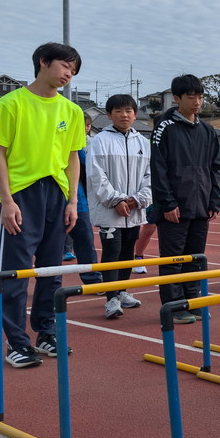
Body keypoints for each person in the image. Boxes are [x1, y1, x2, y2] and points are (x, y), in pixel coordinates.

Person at [0, 42, 85, 368]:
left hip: (57, 195)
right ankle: (16, 343)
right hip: (22, 195)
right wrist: (7, 200)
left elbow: (72, 158)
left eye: (74, 70)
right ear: (43, 62)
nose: (69, 74)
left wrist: (73, 201)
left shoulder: (71, 111)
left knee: (51, 272)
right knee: (14, 274)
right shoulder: (11, 102)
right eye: (66, 66)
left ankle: (46, 333)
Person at [151, 74, 220, 325]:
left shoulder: (207, 130)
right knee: (173, 260)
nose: (197, 102)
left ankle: (192, 301)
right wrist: (167, 203)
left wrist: (214, 201)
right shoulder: (164, 127)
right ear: (177, 98)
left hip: (201, 206)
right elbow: (158, 168)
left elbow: (215, 167)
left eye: (200, 97)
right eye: (191, 97)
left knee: (196, 258)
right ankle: (174, 307)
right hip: (174, 207)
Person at [87, 94, 151, 319]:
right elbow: (96, 176)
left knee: (127, 252)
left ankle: (122, 291)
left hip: (133, 210)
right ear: (108, 115)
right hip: (110, 210)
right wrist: (116, 200)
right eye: (118, 111)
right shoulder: (100, 141)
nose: (124, 115)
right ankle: (111, 298)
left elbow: (150, 176)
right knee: (112, 251)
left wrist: (138, 199)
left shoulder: (143, 142)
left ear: (135, 114)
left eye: (128, 111)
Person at [66, 112, 104, 287]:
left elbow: (88, 164)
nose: (85, 129)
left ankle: (93, 279)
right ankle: (46, 285)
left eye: (87, 126)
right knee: (46, 244)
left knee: (85, 239)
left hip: (77, 199)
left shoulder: (83, 145)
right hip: (52, 196)